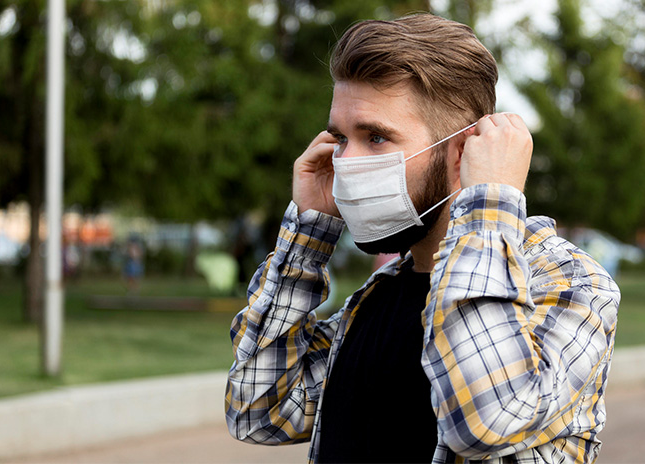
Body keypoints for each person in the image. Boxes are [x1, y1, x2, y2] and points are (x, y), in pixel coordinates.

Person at [225, 14, 620, 464]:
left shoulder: (569, 284)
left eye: (375, 137)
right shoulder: (375, 297)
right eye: (340, 138)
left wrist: (488, 204)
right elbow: (260, 411)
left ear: (464, 149)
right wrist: (308, 236)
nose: (345, 162)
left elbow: (489, 423)